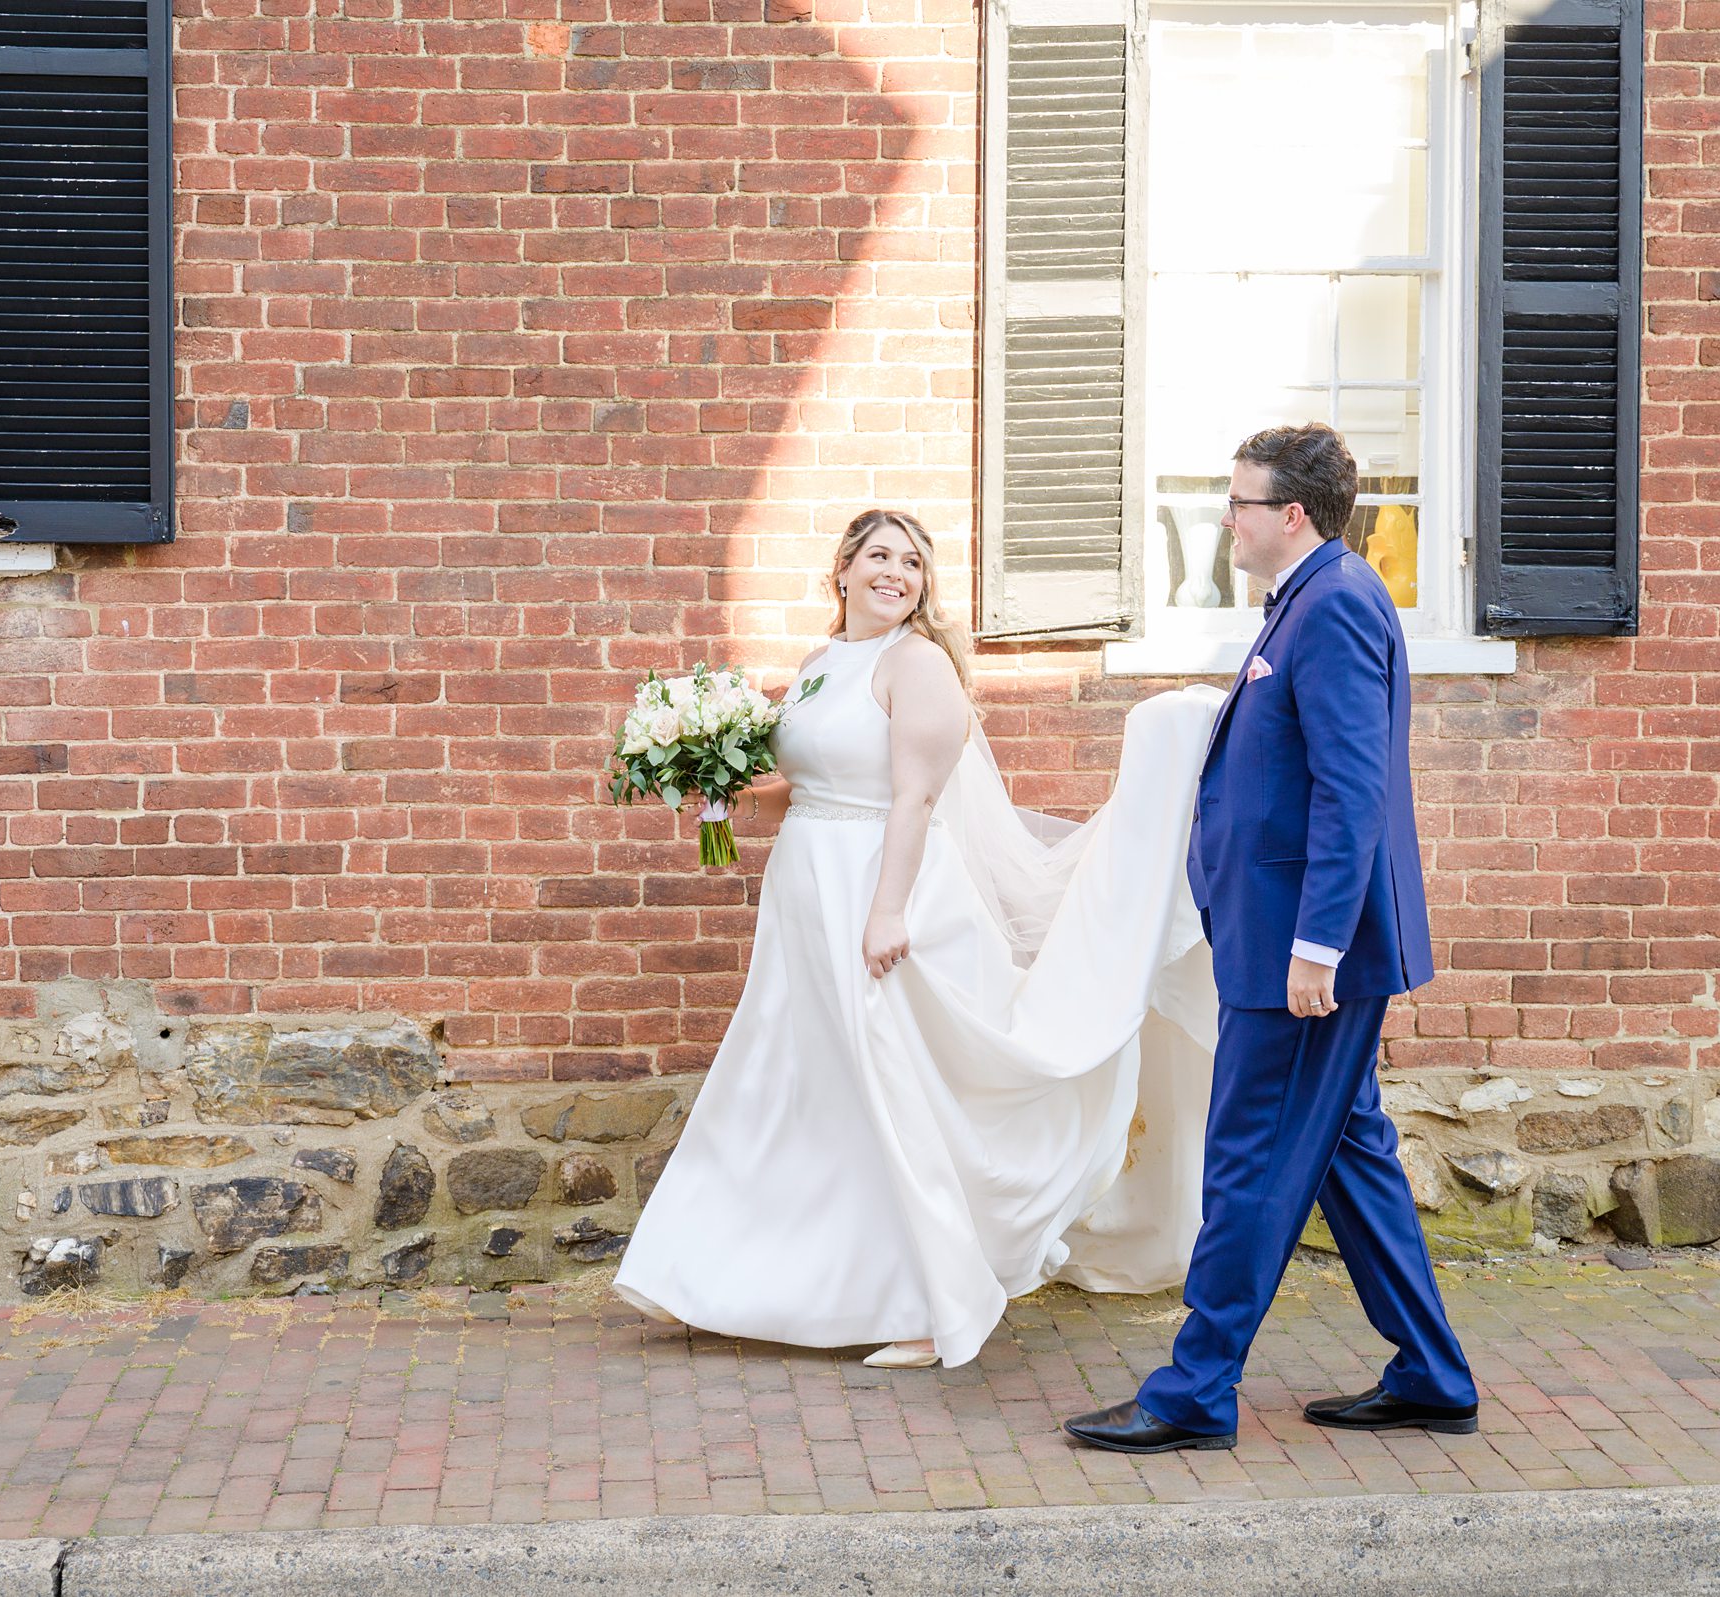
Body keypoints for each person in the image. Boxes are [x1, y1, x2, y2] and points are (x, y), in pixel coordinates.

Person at [612, 509, 1223, 1369]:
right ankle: (726, 1276)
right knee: (801, 1084)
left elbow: (912, 797)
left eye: (911, 562)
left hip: (883, 890)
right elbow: (807, 784)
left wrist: (888, 909)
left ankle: (937, 1305)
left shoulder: (918, 664)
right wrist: (712, 780)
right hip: (807, 894)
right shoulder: (823, 667)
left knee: (892, 1090)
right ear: (845, 570)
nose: (895, 572)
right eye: (879, 556)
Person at [1064, 424, 1478, 1454]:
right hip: (1285, 941)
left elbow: (1352, 790)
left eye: (1238, 501)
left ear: (1290, 513)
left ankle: (1195, 1389)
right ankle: (1430, 1371)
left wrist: (1318, 950)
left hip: (1302, 957)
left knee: (1245, 1159)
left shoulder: (1332, 604)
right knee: (1349, 1149)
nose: (1226, 518)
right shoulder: (1305, 599)